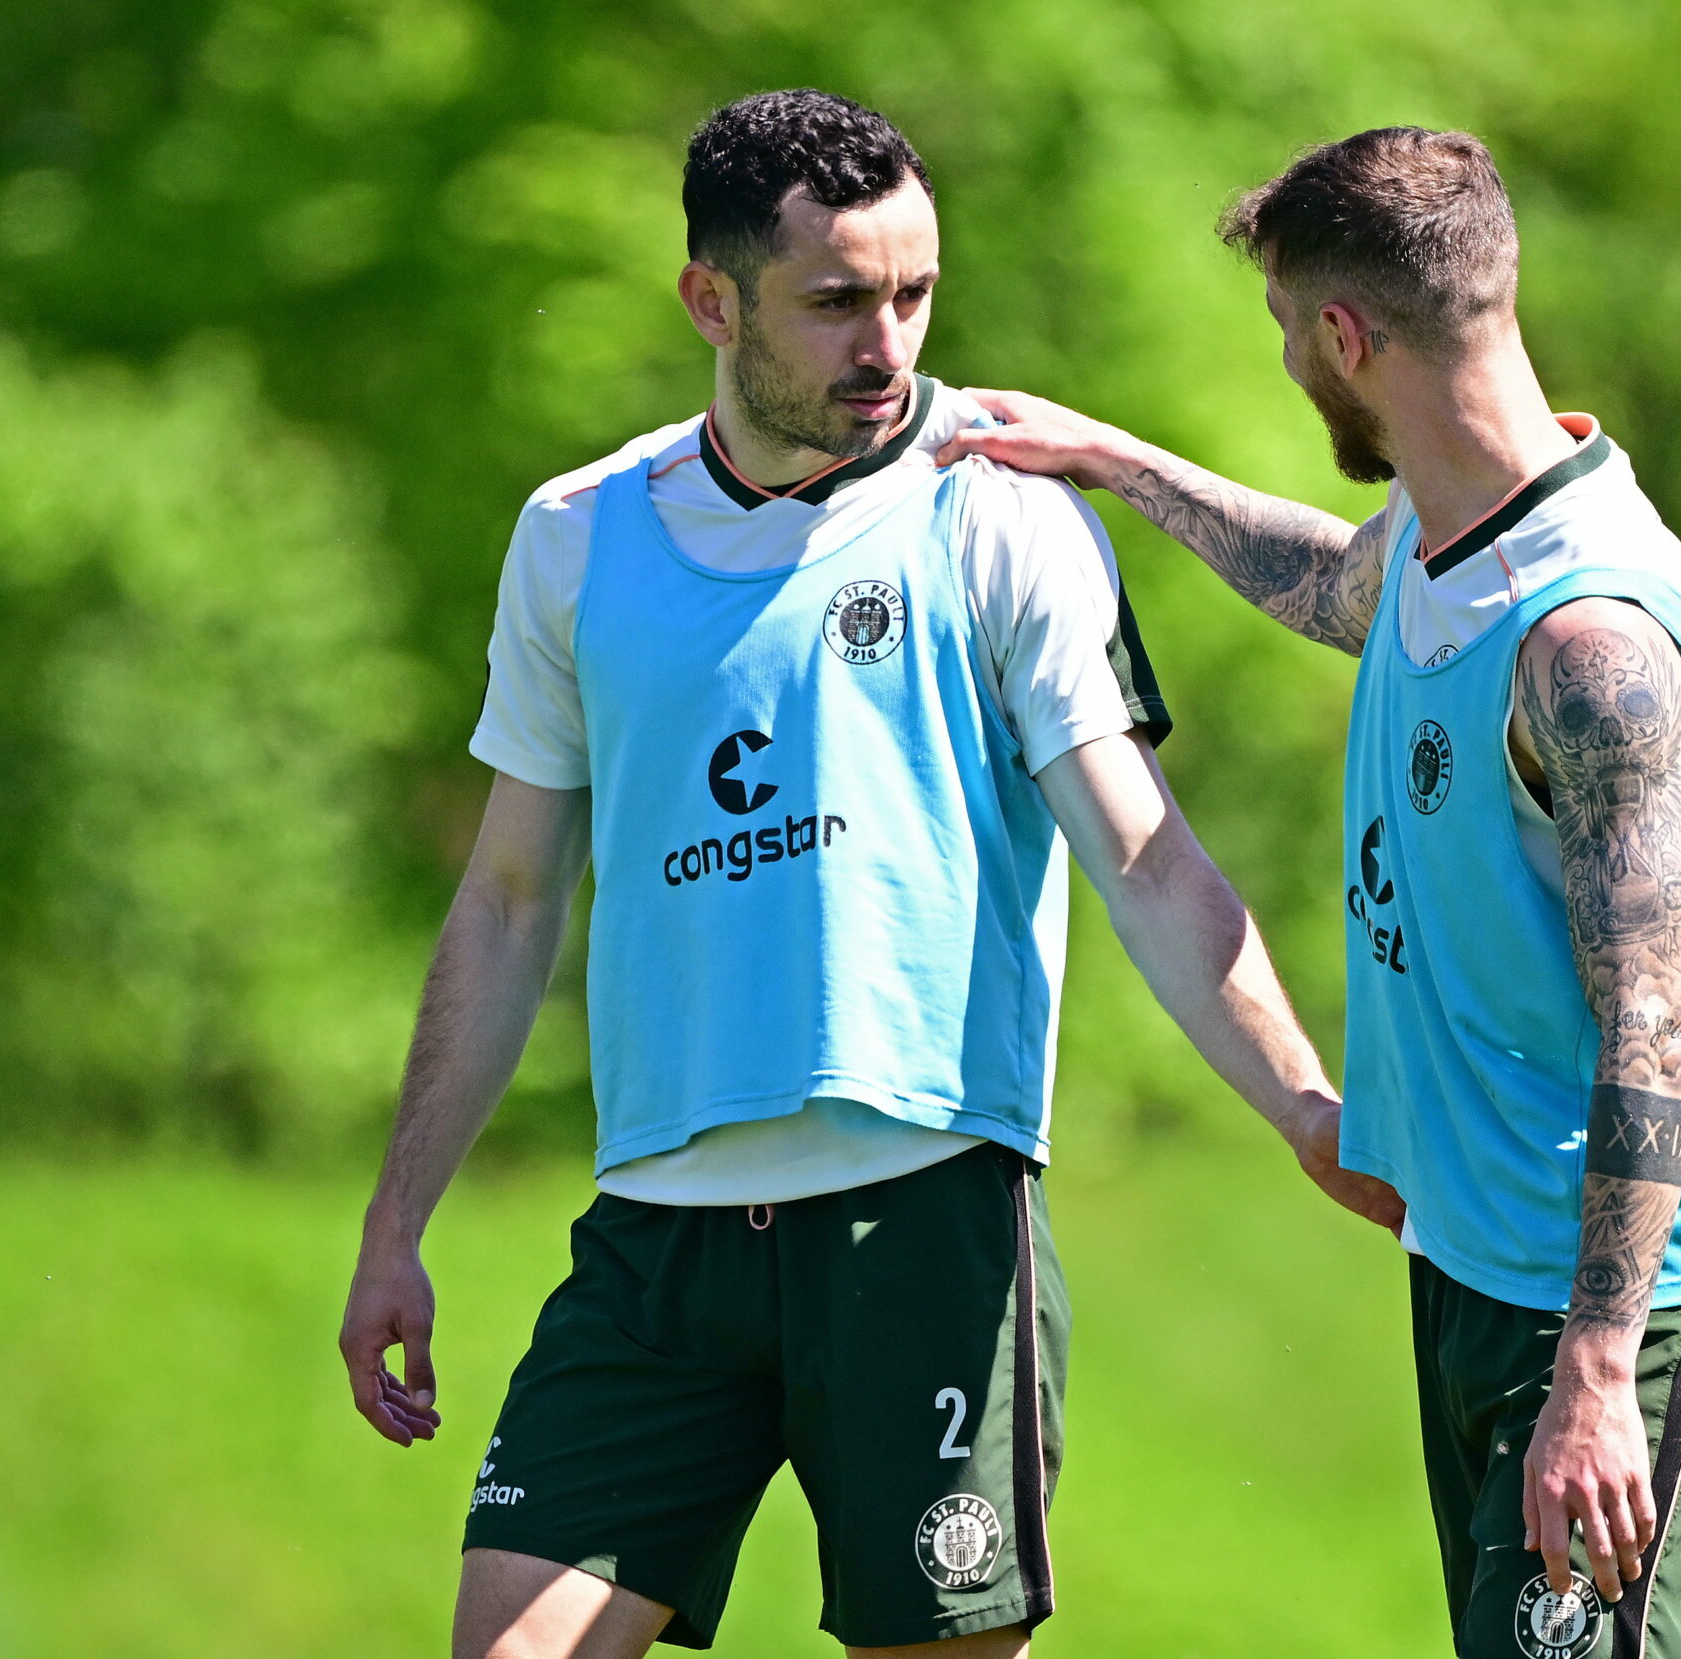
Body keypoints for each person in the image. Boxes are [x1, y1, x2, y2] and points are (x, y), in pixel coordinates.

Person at [336, 90, 1402, 1659]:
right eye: (836, 300)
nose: (887, 344)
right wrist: (395, 1218)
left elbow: (1144, 856)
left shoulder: (1001, 517)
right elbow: (503, 906)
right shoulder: (576, 540)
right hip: (661, 1231)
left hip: (922, 1219)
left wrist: (1305, 1105)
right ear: (712, 301)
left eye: (913, 293)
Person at [939, 126, 1681, 1659]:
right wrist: (1111, 462)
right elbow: (1339, 580)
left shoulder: (1588, 646)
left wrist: (1598, 1374)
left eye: (1286, 334)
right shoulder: (1450, 536)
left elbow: (1655, 1031)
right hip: (1471, 1264)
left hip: (1619, 1311)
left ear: (1346, 335)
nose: (1289, 368)